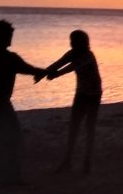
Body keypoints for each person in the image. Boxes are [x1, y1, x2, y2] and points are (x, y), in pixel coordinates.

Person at [0, 20, 47, 187]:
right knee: (12, 138)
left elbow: (25, 68)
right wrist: (46, 72)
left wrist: (40, 72)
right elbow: (28, 69)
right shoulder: (7, 57)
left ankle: (7, 177)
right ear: (1, 36)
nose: (11, 37)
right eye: (9, 34)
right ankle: (11, 178)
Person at [41, 29, 102, 174]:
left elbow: (72, 67)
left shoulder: (88, 55)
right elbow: (58, 63)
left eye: (74, 41)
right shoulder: (72, 53)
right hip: (81, 93)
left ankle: (87, 162)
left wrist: (56, 75)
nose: (72, 43)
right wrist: (41, 73)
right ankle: (68, 161)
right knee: (74, 126)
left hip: (93, 94)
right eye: (71, 41)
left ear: (83, 42)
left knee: (89, 127)